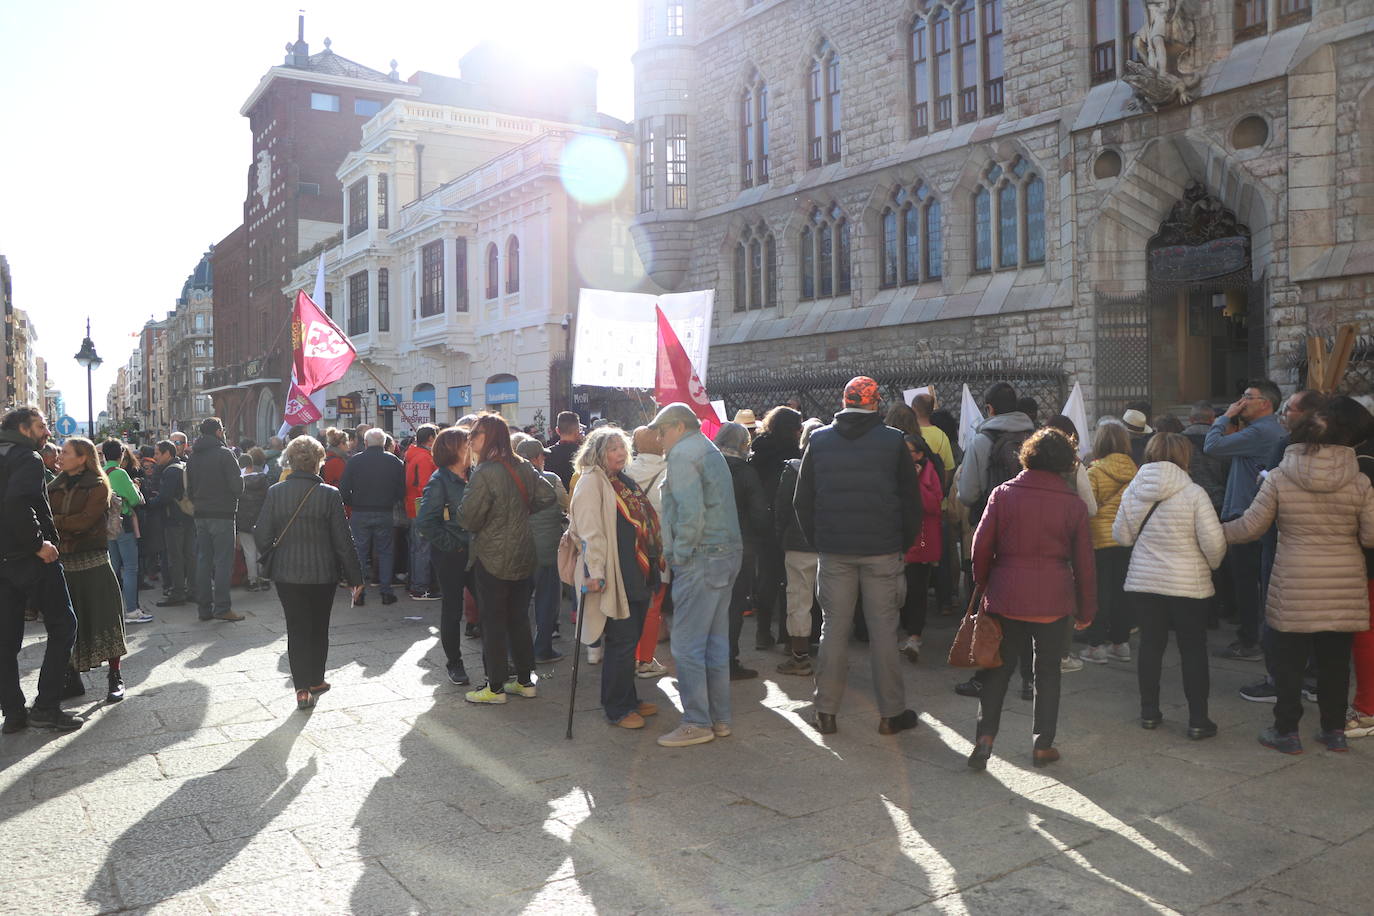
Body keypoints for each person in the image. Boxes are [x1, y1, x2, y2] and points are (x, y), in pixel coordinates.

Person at [1224, 406, 1374, 754]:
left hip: (1293, 584)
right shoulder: (1359, 480)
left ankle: (1287, 731)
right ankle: (1334, 730)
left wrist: (1211, 533)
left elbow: (1249, 527)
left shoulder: (1278, 477)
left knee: (1288, 663)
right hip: (1344, 585)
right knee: (1335, 663)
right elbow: (1369, 536)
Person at [794, 377, 922, 736]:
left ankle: (825, 712)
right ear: (875, 403)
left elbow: (802, 501)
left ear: (844, 401)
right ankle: (890, 713)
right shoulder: (893, 441)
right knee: (884, 630)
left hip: (835, 550)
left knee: (833, 628)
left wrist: (820, 540)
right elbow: (911, 502)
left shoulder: (818, 440)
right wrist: (902, 542)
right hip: (882, 549)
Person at [967, 428, 1096, 771]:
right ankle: (1042, 745)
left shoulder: (1002, 494)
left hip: (1006, 593)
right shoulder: (1073, 504)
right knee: (1048, 673)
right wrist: (1087, 608)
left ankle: (984, 739)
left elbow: (980, 547)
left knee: (997, 670)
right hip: (1054, 598)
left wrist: (983, 584)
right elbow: (1085, 562)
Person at [1113, 432, 1226, 739]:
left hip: (1144, 582)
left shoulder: (1133, 490)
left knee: (1150, 645)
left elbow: (1121, 536)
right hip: (1189, 585)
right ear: (1184, 456)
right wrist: (1213, 565)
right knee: (1192, 649)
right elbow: (1213, 542)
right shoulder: (1194, 493)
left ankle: (1149, 712)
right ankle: (1198, 719)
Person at [649, 402, 742, 747]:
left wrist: (680, 556)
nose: (659, 439)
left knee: (687, 645)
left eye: (661, 431)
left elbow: (689, 514)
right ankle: (719, 719)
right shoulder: (707, 447)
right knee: (715, 644)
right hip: (725, 554)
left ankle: (697, 721)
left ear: (676, 426)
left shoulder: (683, 453)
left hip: (701, 557)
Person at [254, 436, 364, 710]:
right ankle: (316, 680)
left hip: (287, 573)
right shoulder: (329, 494)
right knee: (318, 627)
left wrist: (276, 552)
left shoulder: (276, 492)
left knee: (296, 628)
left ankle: (302, 689)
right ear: (318, 462)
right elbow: (343, 540)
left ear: (290, 461)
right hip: (322, 572)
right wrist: (355, 578)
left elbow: (262, 534)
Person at [567, 427, 664, 728]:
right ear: (598, 453)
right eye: (613, 449)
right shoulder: (591, 482)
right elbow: (589, 532)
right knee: (621, 641)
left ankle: (629, 699)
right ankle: (617, 708)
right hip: (613, 574)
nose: (621, 454)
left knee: (630, 638)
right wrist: (595, 572)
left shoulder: (623, 480)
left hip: (634, 572)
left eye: (622, 447)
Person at [456, 415, 556, 704]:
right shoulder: (523, 465)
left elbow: (469, 518)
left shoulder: (485, 471)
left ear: (489, 437)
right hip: (524, 551)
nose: (471, 439)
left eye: (475, 434)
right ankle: (525, 680)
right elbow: (548, 496)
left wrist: (476, 509)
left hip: (492, 555)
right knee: (519, 619)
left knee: (493, 621)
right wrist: (517, 512)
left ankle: (495, 686)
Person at [0, 409, 81, 731]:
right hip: (29, 559)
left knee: (5, 641)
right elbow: (17, 503)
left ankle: (13, 713)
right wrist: (39, 544)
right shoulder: (27, 458)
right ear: (23, 428)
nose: (47, 432)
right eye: (41, 426)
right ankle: (46, 706)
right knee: (64, 625)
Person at [1205, 379, 1285, 660]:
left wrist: (1224, 416)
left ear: (1266, 403)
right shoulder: (1265, 430)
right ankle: (1255, 638)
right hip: (1255, 513)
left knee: (1247, 581)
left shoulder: (1262, 431)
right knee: (1253, 579)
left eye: (1247, 397)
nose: (1241, 402)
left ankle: (1250, 641)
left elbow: (1212, 446)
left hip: (1248, 517)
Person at [48, 438, 130, 704]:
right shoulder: (53, 485)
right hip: (65, 564)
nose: (60, 456)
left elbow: (85, 521)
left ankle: (114, 677)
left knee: (105, 618)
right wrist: (61, 524)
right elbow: (42, 518)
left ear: (82, 457)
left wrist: (57, 523)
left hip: (94, 563)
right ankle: (72, 678)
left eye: (66, 452)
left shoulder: (98, 485)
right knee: (69, 624)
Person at [416, 427, 475, 685]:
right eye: (466, 445)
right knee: (452, 609)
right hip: (452, 555)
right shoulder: (439, 481)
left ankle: (497, 661)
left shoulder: (475, 475)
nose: (471, 449)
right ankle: (455, 662)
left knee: (489, 604)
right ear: (454, 451)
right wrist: (454, 545)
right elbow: (426, 523)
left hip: (478, 551)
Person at [1078, 421, 1138, 663]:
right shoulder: (1135, 471)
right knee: (1122, 592)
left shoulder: (1094, 472)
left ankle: (1096, 646)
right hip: (1126, 538)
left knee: (1099, 594)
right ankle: (1120, 643)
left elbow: (1086, 508)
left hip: (1100, 541)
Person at [715, 422, 769, 680]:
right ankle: (727, 660)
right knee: (734, 604)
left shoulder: (706, 468)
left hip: (709, 544)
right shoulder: (747, 473)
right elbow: (759, 514)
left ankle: (707, 658)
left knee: (710, 604)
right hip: (740, 546)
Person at [747, 406, 803, 650]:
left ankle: (762, 631)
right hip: (788, 519)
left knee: (767, 577)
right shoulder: (795, 453)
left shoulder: (758, 451)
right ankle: (786, 634)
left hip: (762, 520)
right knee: (789, 578)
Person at [774, 419, 824, 675]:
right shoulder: (835, 468)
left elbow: (783, 509)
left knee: (798, 600)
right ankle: (831, 655)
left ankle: (799, 657)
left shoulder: (792, 470)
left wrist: (780, 537)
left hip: (797, 544)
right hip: (828, 544)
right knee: (833, 603)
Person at [515, 436, 570, 663]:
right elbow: (565, 505)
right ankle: (542, 648)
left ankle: (517, 650)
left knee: (518, 604)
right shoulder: (550, 479)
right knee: (547, 602)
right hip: (547, 551)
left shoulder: (508, 480)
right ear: (537, 458)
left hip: (518, 550)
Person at [186, 418, 245, 622]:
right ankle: (222, 607)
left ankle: (204, 609)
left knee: (204, 561)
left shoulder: (193, 456)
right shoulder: (224, 454)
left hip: (200, 514)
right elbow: (237, 487)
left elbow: (189, 489)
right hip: (222, 514)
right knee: (222, 562)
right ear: (219, 432)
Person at [339, 428, 406, 606]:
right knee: (385, 551)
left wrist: (354, 502)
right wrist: (390, 500)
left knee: (359, 553)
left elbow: (343, 489)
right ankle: (386, 591)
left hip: (360, 512)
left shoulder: (355, 461)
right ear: (384, 444)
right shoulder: (395, 462)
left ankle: (359, 593)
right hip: (384, 511)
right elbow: (401, 490)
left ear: (366, 443)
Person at [625, 426, 670, 677]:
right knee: (654, 606)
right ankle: (645, 659)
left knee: (632, 605)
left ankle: (631, 656)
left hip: (631, 548)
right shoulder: (669, 471)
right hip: (659, 549)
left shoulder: (625, 472)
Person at [957, 382, 1035, 524]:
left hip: (993, 524)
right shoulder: (1035, 439)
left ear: (990, 408)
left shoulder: (979, 442)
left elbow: (967, 495)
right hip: (1031, 522)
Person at [899, 433, 944, 664]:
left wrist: (916, 484)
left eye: (911, 453)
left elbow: (934, 505)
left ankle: (914, 635)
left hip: (922, 537)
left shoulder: (928, 474)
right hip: (899, 538)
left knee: (917, 588)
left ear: (920, 455)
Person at [99, 439, 149, 624]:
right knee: (130, 568)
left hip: (107, 525)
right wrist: (135, 488)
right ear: (121, 455)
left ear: (104, 455)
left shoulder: (102, 472)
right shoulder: (120, 473)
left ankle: (112, 609)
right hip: (123, 523)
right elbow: (135, 500)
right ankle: (132, 610)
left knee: (113, 567)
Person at [149, 441, 193, 608]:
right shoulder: (183, 465)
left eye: (157, 453)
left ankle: (178, 593)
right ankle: (193, 590)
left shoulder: (170, 471)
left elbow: (165, 497)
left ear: (167, 453)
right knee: (190, 555)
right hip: (188, 514)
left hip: (174, 518)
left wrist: (149, 503)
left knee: (175, 557)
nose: (155, 457)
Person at [405, 424, 441, 601]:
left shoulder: (415, 455)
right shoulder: (424, 458)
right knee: (422, 549)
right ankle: (420, 588)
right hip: (422, 508)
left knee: (417, 548)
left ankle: (416, 584)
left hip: (415, 507)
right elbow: (426, 487)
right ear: (431, 439)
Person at [237, 449, 270, 591]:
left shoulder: (239, 482)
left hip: (244, 521)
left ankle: (252, 581)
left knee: (249, 551)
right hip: (261, 520)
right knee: (261, 550)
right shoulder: (264, 480)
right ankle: (264, 579)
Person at [546, 411, 583, 490]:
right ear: (578, 431)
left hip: (555, 499)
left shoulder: (546, 454)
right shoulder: (585, 454)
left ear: (557, 431)